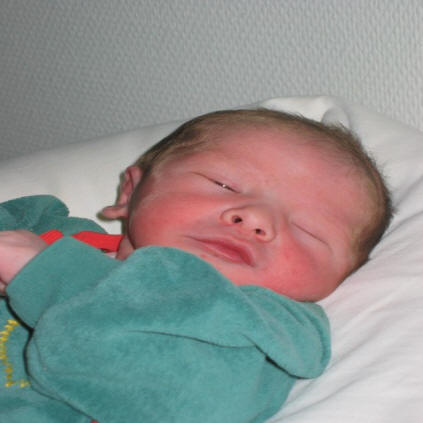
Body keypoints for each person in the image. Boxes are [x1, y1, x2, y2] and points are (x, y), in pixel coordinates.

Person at [0, 109, 392, 423]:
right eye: (224, 185)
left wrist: (46, 275)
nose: (255, 218)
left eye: (308, 229)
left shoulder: (271, 330)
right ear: (130, 192)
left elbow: (191, 405)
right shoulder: (44, 227)